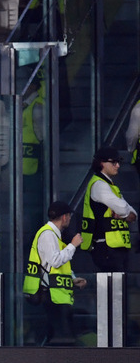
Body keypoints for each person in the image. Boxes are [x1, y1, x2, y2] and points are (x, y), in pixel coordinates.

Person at [25, 201, 88, 345]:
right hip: (48, 294)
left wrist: (72, 279)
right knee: (57, 335)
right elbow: (55, 261)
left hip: (52, 292)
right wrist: (73, 245)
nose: (70, 219)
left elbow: (54, 266)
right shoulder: (48, 234)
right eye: (69, 216)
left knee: (54, 333)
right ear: (65, 217)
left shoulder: (53, 234)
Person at [81, 146, 136, 272]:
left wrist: (123, 212)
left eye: (119, 162)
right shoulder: (99, 185)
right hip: (105, 246)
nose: (117, 166)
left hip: (115, 246)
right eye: (114, 162)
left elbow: (133, 214)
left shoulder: (111, 187)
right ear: (102, 163)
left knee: (118, 286)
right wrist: (124, 213)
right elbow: (123, 209)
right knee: (111, 286)